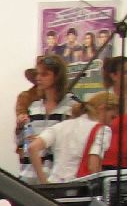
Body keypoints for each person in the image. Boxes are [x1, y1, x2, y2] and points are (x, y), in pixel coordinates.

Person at [15, 54, 82, 182]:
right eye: (38, 74)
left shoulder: (72, 106)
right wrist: (20, 129)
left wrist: (44, 141)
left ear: (57, 77)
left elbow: (74, 144)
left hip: (57, 176)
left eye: (44, 74)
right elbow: (23, 144)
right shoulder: (34, 107)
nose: (39, 78)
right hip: (29, 174)